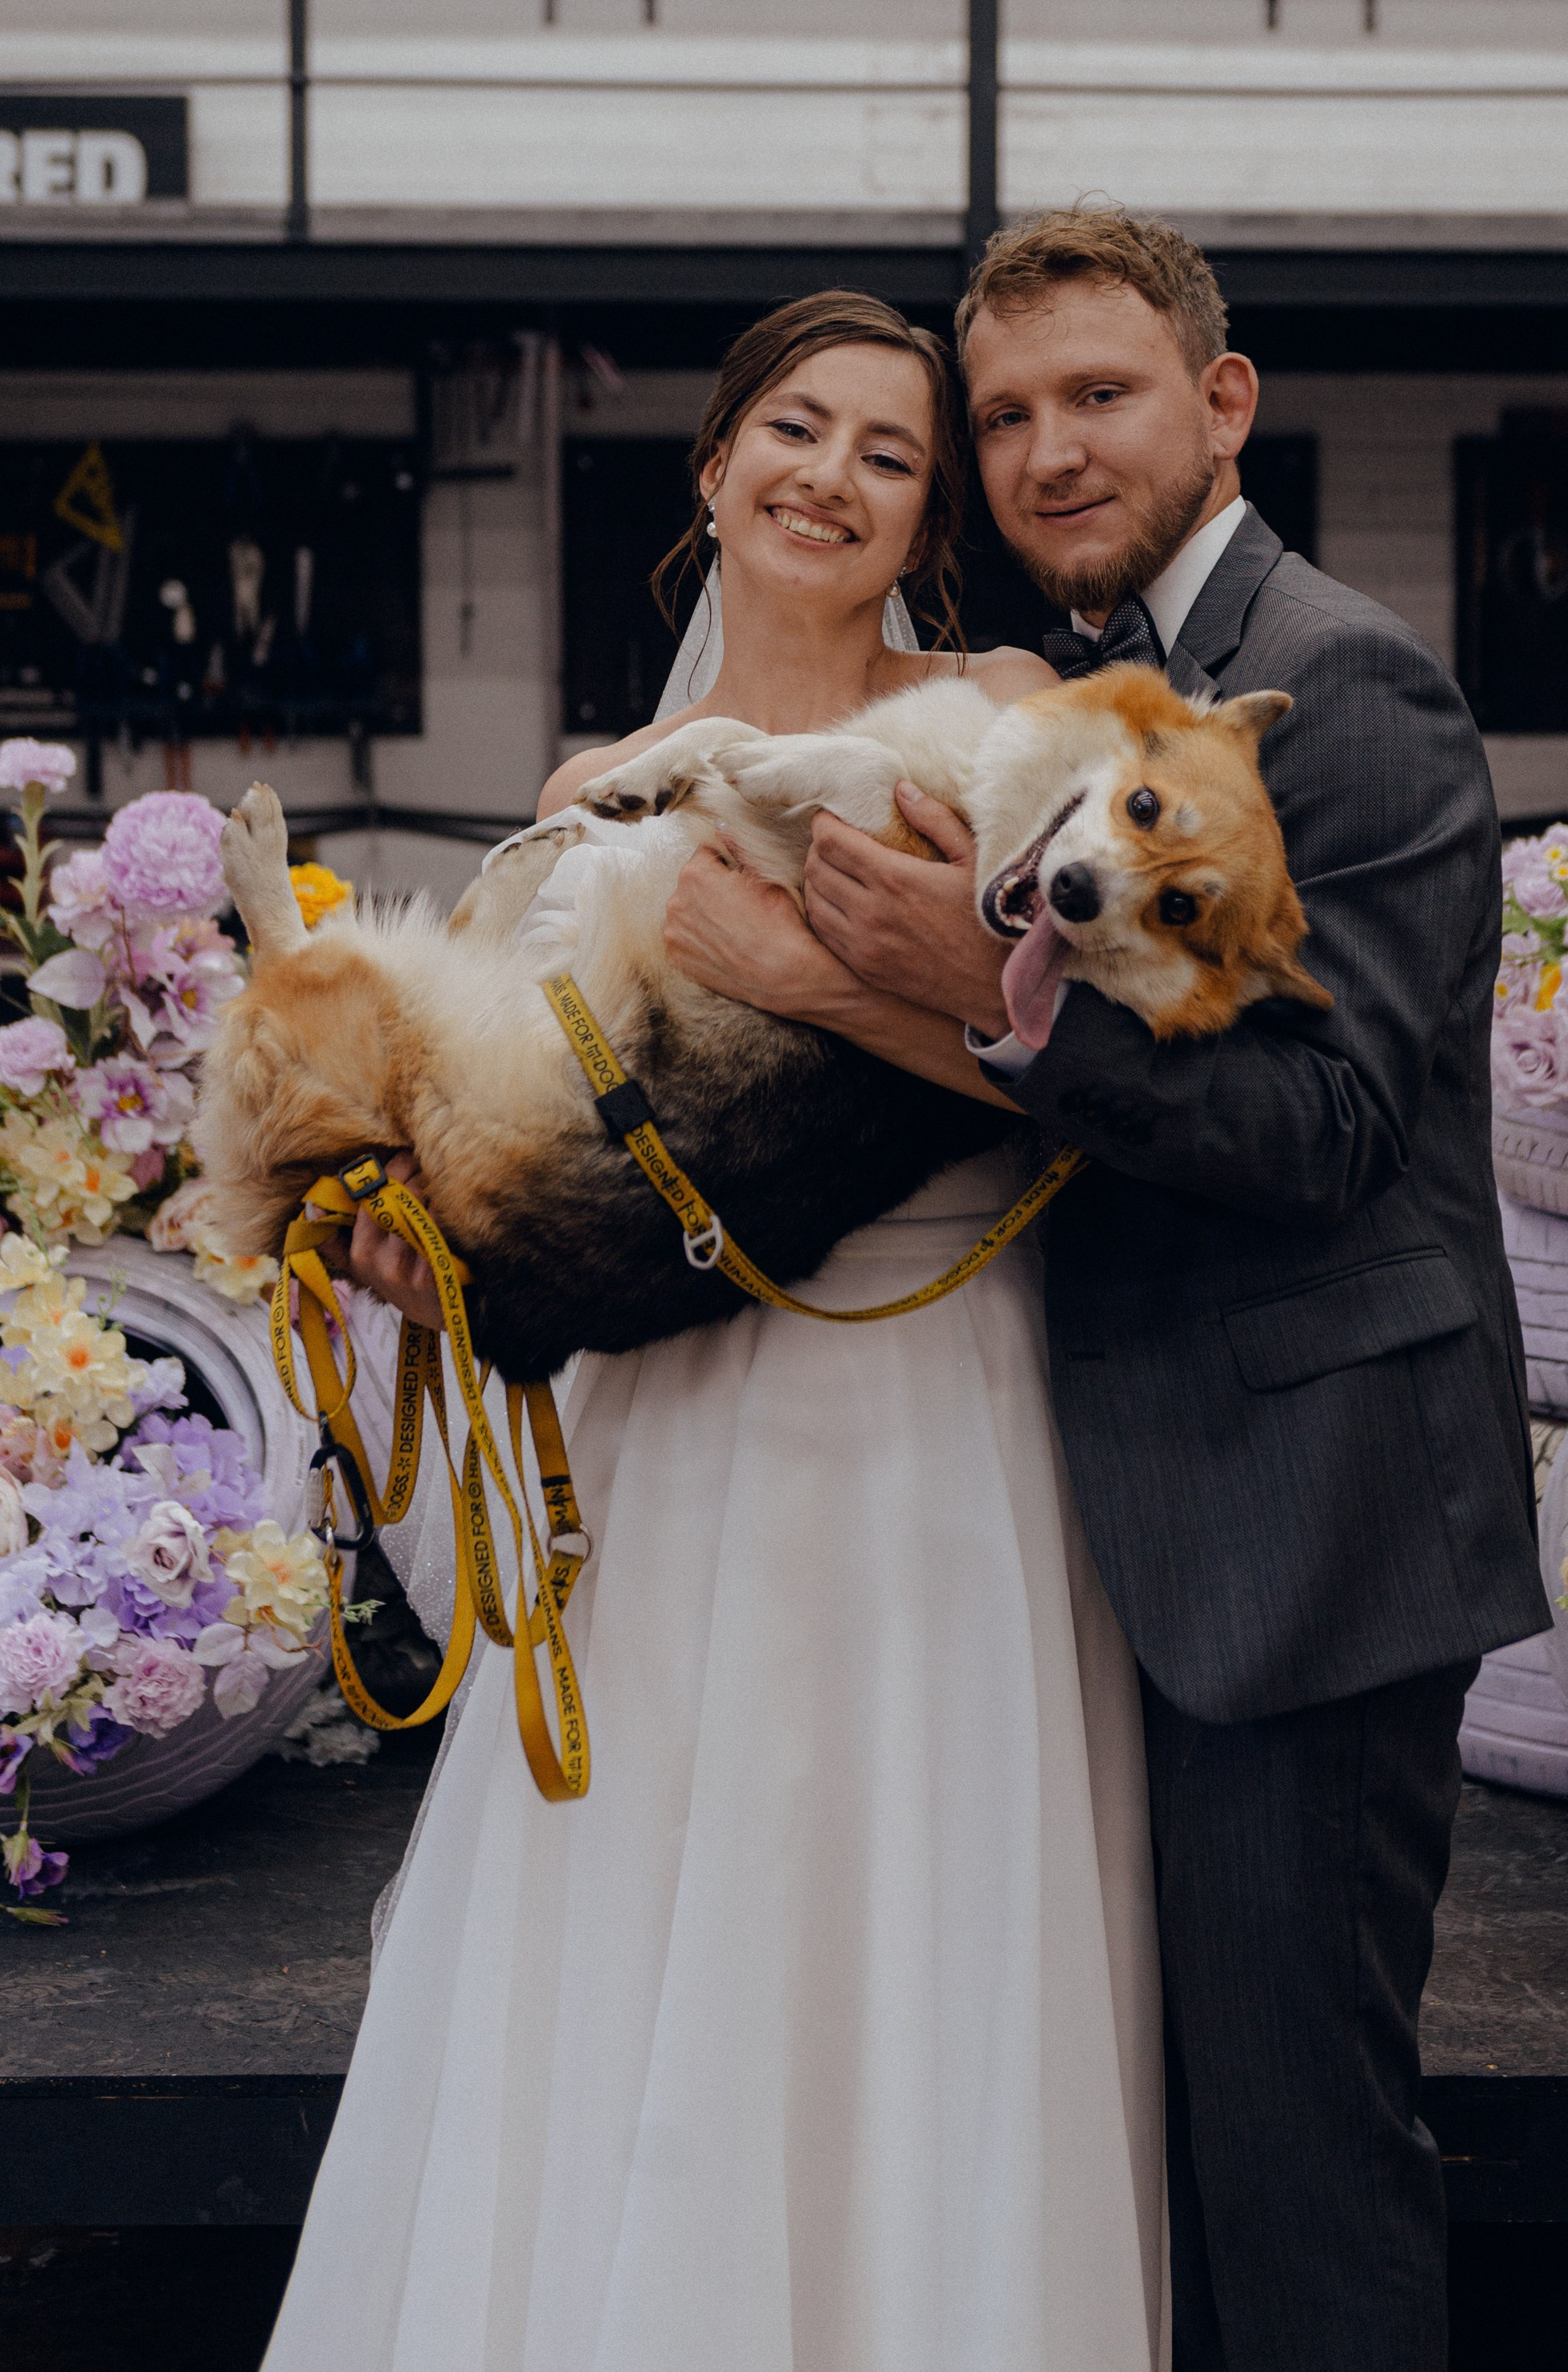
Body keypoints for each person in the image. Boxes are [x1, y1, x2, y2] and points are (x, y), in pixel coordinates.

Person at [260, 292, 1167, 2372]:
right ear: (712, 464)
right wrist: (423, 1242)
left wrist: (816, 968)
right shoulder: (595, 793)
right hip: (662, 1440)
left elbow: (1091, 1057)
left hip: (937, 1411)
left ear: (930, 518)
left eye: (886, 454)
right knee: (646, 1922)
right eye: (797, 427)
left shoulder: (995, 715)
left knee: (901, 1908)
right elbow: (535, 1145)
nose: (828, 477)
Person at [798, 211, 1551, 2372]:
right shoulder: (1077, 689)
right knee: (1161, 2155)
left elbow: (1323, 1131)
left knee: (1297, 2165)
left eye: (1098, 395)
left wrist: (1001, 1003)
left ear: (1224, 402)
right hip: (1129, 1513)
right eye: (1010, 413)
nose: (1045, 451)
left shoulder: (1356, 681)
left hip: (1302, 1540)